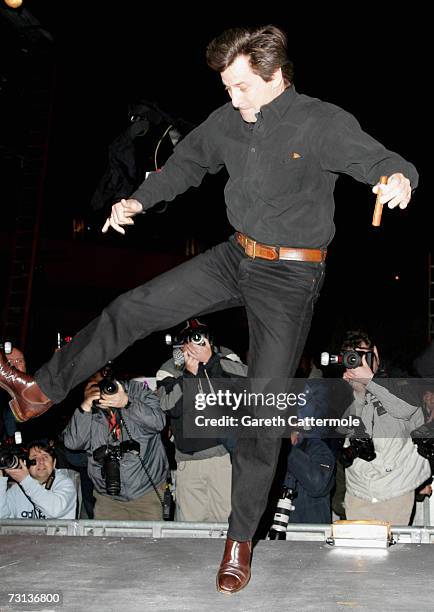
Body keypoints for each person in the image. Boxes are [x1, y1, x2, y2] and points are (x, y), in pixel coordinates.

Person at [0, 25, 417, 593]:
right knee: (134, 306)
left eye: (241, 87)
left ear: (274, 77)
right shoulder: (228, 121)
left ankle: (240, 539)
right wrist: (136, 200)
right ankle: (39, 392)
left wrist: (398, 180)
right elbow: (186, 164)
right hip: (234, 255)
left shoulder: (320, 121)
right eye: (226, 87)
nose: (233, 99)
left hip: (291, 275)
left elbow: (381, 159)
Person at [156, 319, 246, 522]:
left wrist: (212, 361)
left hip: (223, 457)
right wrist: (189, 374)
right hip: (188, 462)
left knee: (227, 523)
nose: (195, 342)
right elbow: (169, 406)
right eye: (190, 337)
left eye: (200, 335)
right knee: (191, 531)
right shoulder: (170, 367)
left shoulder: (225, 357)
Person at [340, 330, 430, 524]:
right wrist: (359, 395)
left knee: (390, 553)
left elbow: (406, 410)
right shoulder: (344, 389)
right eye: (353, 358)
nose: (359, 362)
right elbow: (348, 431)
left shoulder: (400, 379)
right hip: (359, 490)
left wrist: (371, 382)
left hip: (395, 489)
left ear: (376, 354)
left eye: (364, 356)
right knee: (357, 553)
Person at [62, 370, 168, 520]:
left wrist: (127, 403)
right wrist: (85, 407)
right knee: (107, 543)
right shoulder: (90, 405)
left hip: (146, 493)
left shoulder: (137, 390)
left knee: (149, 542)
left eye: (103, 376)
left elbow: (158, 422)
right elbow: (73, 443)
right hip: (107, 497)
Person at [0, 440, 77, 519]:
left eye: (45, 457)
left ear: (54, 463)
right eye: (34, 458)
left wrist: (25, 481)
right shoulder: (17, 490)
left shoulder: (65, 483)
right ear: (27, 464)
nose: (41, 461)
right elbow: (2, 516)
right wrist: (1, 481)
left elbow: (56, 510)